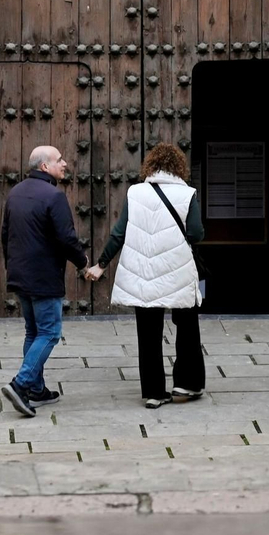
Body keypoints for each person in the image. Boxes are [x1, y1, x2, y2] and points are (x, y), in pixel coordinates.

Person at [84, 142, 205, 408]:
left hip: (143, 271)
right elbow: (196, 234)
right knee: (187, 326)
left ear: (150, 166)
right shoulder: (188, 195)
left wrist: (101, 265)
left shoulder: (135, 192)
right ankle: (187, 384)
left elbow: (119, 232)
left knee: (148, 332)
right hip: (178, 269)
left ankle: (154, 392)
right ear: (179, 168)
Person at [0, 144, 87, 418]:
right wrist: (83, 263)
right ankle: (21, 384)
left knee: (32, 332)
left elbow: (5, 235)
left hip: (21, 274)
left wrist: (12, 267)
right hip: (44, 277)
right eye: (59, 160)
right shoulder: (53, 196)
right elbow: (66, 238)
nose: (65, 164)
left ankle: (36, 389)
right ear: (44, 167)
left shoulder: (15, 193)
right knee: (49, 332)